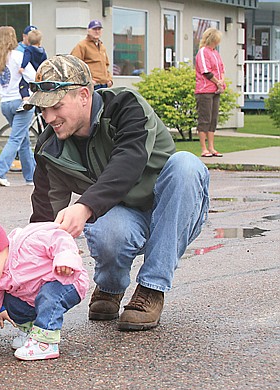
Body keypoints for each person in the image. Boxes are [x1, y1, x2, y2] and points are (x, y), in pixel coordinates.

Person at [26, 55, 210, 331]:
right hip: (122, 215)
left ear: (84, 96)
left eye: (56, 106)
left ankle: (151, 289)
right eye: (42, 109)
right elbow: (44, 219)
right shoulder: (49, 148)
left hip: (171, 207)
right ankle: (110, 287)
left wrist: (85, 206)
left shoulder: (124, 105)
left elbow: (128, 162)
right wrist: (22, 287)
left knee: (186, 164)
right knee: (105, 228)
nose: (48, 117)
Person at [0, 215, 89, 361]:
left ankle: (45, 343)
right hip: (34, 295)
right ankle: (30, 332)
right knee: (11, 303)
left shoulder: (28, 243)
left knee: (49, 295)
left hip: (67, 281)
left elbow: (59, 237)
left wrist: (65, 259)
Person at [0, 26, 36, 187]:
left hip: (5, 103)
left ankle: (31, 177)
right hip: (22, 102)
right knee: (16, 138)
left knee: (23, 140)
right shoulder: (18, 56)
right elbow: (34, 76)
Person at [195, 27, 226, 158]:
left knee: (213, 119)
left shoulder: (215, 53)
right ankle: (204, 148)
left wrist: (221, 81)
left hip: (215, 91)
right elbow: (206, 71)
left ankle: (212, 147)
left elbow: (221, 69)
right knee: (204, 119)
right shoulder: (203, 52)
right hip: (205, 91)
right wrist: (217, 81)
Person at [70, 19, 113, 89]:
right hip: (92, 85)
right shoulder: (82, 45)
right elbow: (74, 65)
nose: (97, 31)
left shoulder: (102, 47)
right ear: (88, 31)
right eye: (94, 29)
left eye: (99, 29)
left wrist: (110, 79)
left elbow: (106, 65)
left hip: (104, 85)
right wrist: (88, 81)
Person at [16, 25, 37, 100]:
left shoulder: (37, 49)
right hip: (21, 85)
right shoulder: (18, 50)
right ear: (24, 36)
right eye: (30, 36)